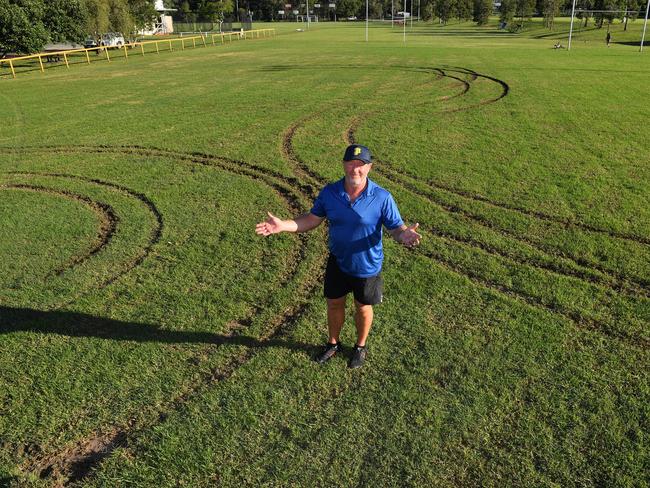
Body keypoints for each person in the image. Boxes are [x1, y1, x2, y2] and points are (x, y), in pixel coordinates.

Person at [255, 144, 421, 368]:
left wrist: (404, 236)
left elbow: (396, 228)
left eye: (360, 165)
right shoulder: (330, 193)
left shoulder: (382, 197)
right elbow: (312, 219)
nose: (355, 170)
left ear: (369, 167)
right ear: (344, 165)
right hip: (338, 261)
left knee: (362, 307)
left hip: (367, 265)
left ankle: (360, 347)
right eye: (351, 164)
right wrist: (283, 225)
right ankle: (333, 344)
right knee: (334, 304)